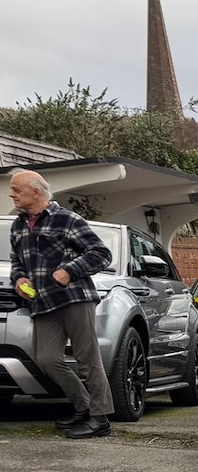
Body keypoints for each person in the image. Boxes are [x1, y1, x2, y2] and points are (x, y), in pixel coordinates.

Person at [8, 169, 115, 438]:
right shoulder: (18, 225)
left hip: (74, 298)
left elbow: (101, 253)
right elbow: (17, 262)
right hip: (42, 303)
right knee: (47, 359)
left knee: (87, 360)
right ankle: (83, 407)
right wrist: (19, 279)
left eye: (16, 190)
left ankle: (100, 418)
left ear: (36, 192)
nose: (11, 194)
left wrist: (69, 270)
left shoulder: (67, 219)